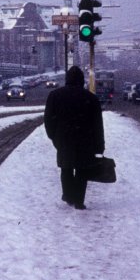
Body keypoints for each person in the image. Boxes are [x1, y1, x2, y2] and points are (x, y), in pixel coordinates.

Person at [44, 66, 105, 210]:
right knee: (82, 170)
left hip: (63, 140)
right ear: (82, 80)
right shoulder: (91, 98)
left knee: (66, 168)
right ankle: (78, 200)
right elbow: (97, 125)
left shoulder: (55, 96)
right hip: (85, 141)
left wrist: (54, 137)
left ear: (67, 79)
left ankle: (68, 195)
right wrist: (99, 146)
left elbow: (48, 120)